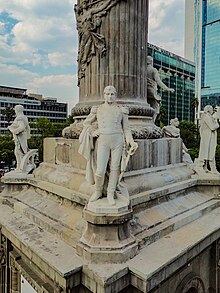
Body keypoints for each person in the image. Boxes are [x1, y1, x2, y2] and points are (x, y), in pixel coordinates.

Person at [79, 86, 138, 205]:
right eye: (107, 94)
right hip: (103, 139)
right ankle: (98, 191)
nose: (110, 96)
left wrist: (131, 142)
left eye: (112, 94)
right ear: (104, 95)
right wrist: (92, 132)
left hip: (118, 140)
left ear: (115, 95)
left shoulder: (122, 110)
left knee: (115, 168)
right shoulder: (97, 109)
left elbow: (126, 129)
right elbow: (86, 123)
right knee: (100, 170)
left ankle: (111, 193)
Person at [147, 56, 175, 121]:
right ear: (151, 62)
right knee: (156, 108)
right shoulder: (153, 70)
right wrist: (167, 88)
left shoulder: (142, 69)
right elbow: (158, 81)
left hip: (144, 92)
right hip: (151, 91)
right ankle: (152, 122)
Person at [197, 105, 219, 173]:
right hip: (207, 138)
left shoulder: (209, 117)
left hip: (209, 137)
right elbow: (212, 127)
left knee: (210, 152)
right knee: (207, 152)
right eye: (212, 109)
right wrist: (217, 124)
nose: (213, 111)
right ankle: (204, 167)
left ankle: (208, 167)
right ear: (209, 110)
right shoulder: (206, 117)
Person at [8, 105, 31, 170]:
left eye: (15, 110)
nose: (15, 111)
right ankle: (20, 166)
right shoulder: (24, 117)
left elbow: (22, 127)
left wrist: (14, 131)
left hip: (20, 136)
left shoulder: (19, 118)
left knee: (19, 152)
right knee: (20, 151)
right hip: (23, 136)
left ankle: (21, 167)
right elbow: (28, 127)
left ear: (17, 110)